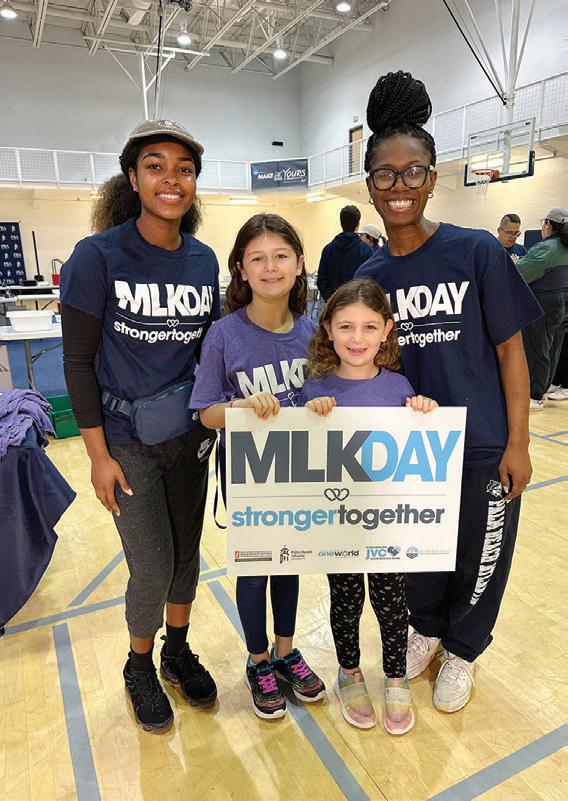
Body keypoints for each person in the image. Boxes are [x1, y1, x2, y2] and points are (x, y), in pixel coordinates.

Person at [356, 71, 542, 713]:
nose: (399, 186)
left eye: (413, 172)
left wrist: (518, 442)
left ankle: (463, 648)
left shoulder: (476, 252)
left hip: (484, 442)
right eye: (385, 175)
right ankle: (428, 629)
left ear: (432, 178)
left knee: (482, 555)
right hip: (411, 450)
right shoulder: (370, 276)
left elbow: (512, 352)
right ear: (370, 185)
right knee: (420, 555)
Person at [60, 119, 220, 733]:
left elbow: (208, 354)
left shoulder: (203, 260)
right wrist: (98, 457)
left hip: (189, 438)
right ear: (132, 178)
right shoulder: (97, 257)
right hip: (127, 443)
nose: (170, 179)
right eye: (155, 166)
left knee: (186, 560)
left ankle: (177, 652)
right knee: (151, 567)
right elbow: (77, 362)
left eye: (184, 169)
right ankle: (139, 665)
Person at [190, 213, 326, 720]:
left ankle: (286, 650)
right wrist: (241, 408)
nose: (271, 267)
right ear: (241, 270)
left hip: (301, 470)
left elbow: (328, 397)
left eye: (281, 256)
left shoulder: (314, 333)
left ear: (299, 263)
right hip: (249, 474)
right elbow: (206, 414)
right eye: (258, 258)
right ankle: (259, 660)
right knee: (254, 569)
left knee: (289, 562)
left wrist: (322, 405)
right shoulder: (224, 334)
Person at [299, 277, 438, 735]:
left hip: (386, 523)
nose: (357, 338)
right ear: (328, 329)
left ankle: (395, 676)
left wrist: (422, 410)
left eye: (368, 327)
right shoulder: (315, 389)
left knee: (391, 601)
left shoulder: (399, 386)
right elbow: (299, 453)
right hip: (338, 522)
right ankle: (349, 672)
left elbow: (417, 447)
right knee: (346, 599)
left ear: (386, 331)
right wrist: (310, 415)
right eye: (345, 327)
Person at [515, 208, 568, 409]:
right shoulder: (564, 247)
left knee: (538, 349)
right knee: (553, 349)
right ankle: (542, 389)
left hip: (545, 301)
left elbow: (521, 273)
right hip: (563, 301)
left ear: (548, 224)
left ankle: (535, 395)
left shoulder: (546, 248)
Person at [316, 205, 372, 301]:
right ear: (358, 224)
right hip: (358, 303)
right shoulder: (366, 250)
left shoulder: (328, 250)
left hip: (334, 303)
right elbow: (370, 281)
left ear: (341, 223)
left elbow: (321, 280)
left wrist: (331, 300)